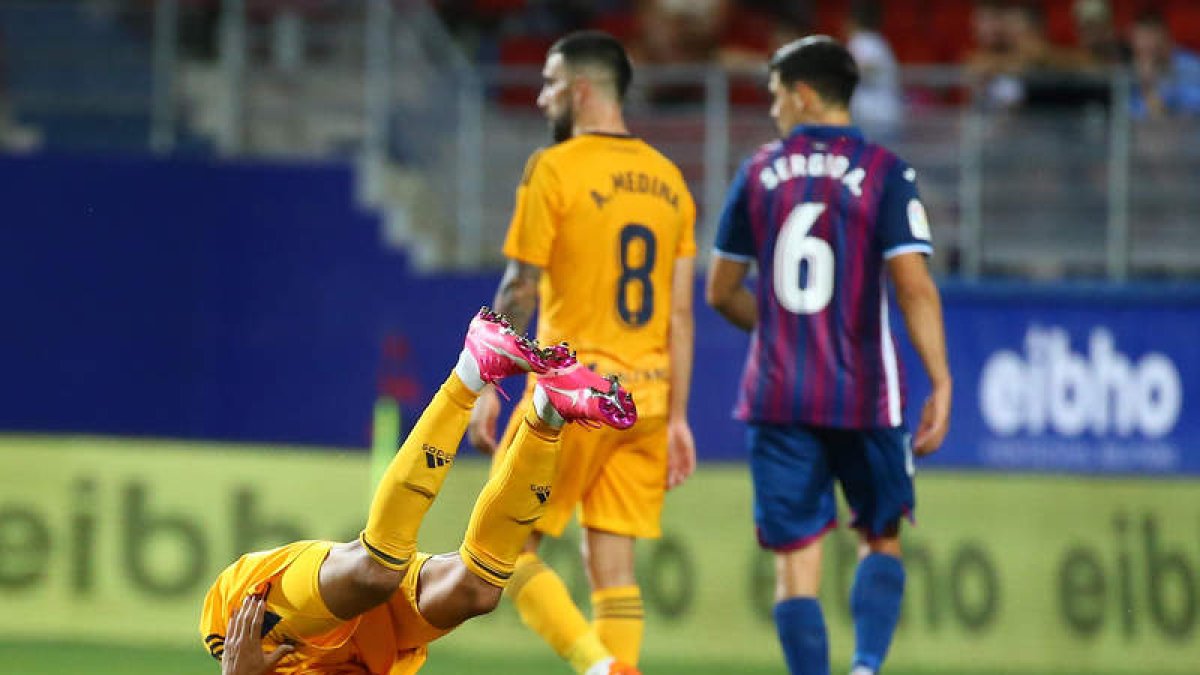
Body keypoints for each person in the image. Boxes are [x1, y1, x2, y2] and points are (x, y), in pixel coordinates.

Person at [199, 307, 638, 675]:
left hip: (259, 627)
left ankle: (472, 369)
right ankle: (549, 411)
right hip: (369, 656)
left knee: (374, 571)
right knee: (478, 592)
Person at [705, 36, 952, 675]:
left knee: (796, 565)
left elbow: (720, 291)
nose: (772, 109)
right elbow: (914, 284)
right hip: (865, 392)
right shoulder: (886, 173)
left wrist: (781, 325)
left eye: (775, 95)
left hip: (779, 394)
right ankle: (867, 666)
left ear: (804, 93)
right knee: (882, 537)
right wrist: (941, 380)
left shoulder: (757, 171)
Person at [467, 30, 697, 675]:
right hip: (646, 399)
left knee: (498, 547)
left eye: (550, 83)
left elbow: (521, 284)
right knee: (613, 567)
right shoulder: (670, 181)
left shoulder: (555, 168)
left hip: (574, 392)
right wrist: (678, 417)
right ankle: (613, 666)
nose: (543, 98)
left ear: (583, 89)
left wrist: (489, 385)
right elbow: (681, 312)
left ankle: (599, 668)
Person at [1129, 9, 1200, 119]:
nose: (1145, 45)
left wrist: (1148, 85)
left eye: (1150, 37)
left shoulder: (1189, 65)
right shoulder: (1131, 71)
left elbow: (1165, 117)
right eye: (1139, 38)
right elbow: (1130, 116)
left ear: (1164, 36)